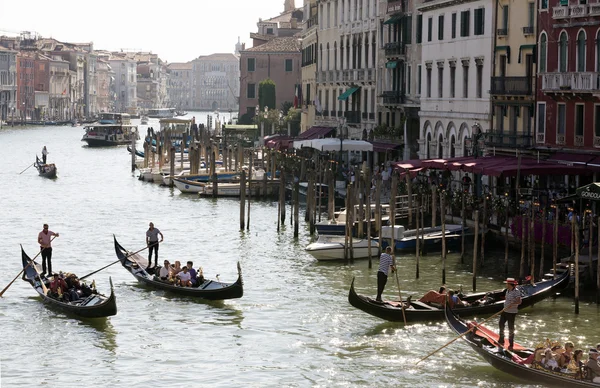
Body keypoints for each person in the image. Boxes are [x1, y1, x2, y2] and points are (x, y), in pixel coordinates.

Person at [497, 278, 522, 351]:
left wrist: (513, 303)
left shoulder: (516, 291)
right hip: (505, 310)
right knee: (501, 324)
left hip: (511, 312)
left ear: (510, 284)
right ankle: (501, 340)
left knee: (510, 328)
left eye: (507, 283)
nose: (506, 284)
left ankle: (511, 344)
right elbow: (507, 299)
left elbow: (519, 301)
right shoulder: (507, 290)